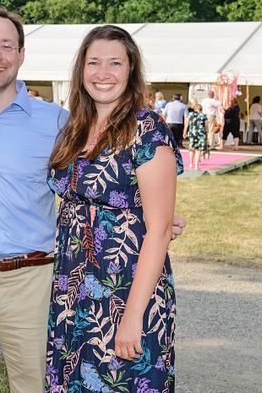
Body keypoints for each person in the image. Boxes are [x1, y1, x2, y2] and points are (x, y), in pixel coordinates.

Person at [0, 7, 187, 392]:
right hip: (65, 291)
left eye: (115, 63)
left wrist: (159, 225)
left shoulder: (65, 122)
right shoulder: (74, 128)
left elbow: (148, 211)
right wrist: (154, 219)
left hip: (69, 284)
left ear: (21, 54)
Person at [46, 25, 181, 391]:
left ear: (131, 71)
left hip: (125, 290)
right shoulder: (75, 127)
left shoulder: (148, 130)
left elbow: (158, 229)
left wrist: (133, 315)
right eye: (93, 63)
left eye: (115, 63)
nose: (102, 73)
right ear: (81, 70)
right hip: (73, 290)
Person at [184, 103, 208, 169]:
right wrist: (207, 132)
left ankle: (191, 164)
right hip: (201, 134)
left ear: (194, 108)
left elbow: (186, 124)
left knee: (191, 149)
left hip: (192, 133)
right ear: (201, 109)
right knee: (198, 150)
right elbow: (206, 125)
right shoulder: (203, 115)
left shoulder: (190, 114)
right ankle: (196, 166)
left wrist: (184, 132)